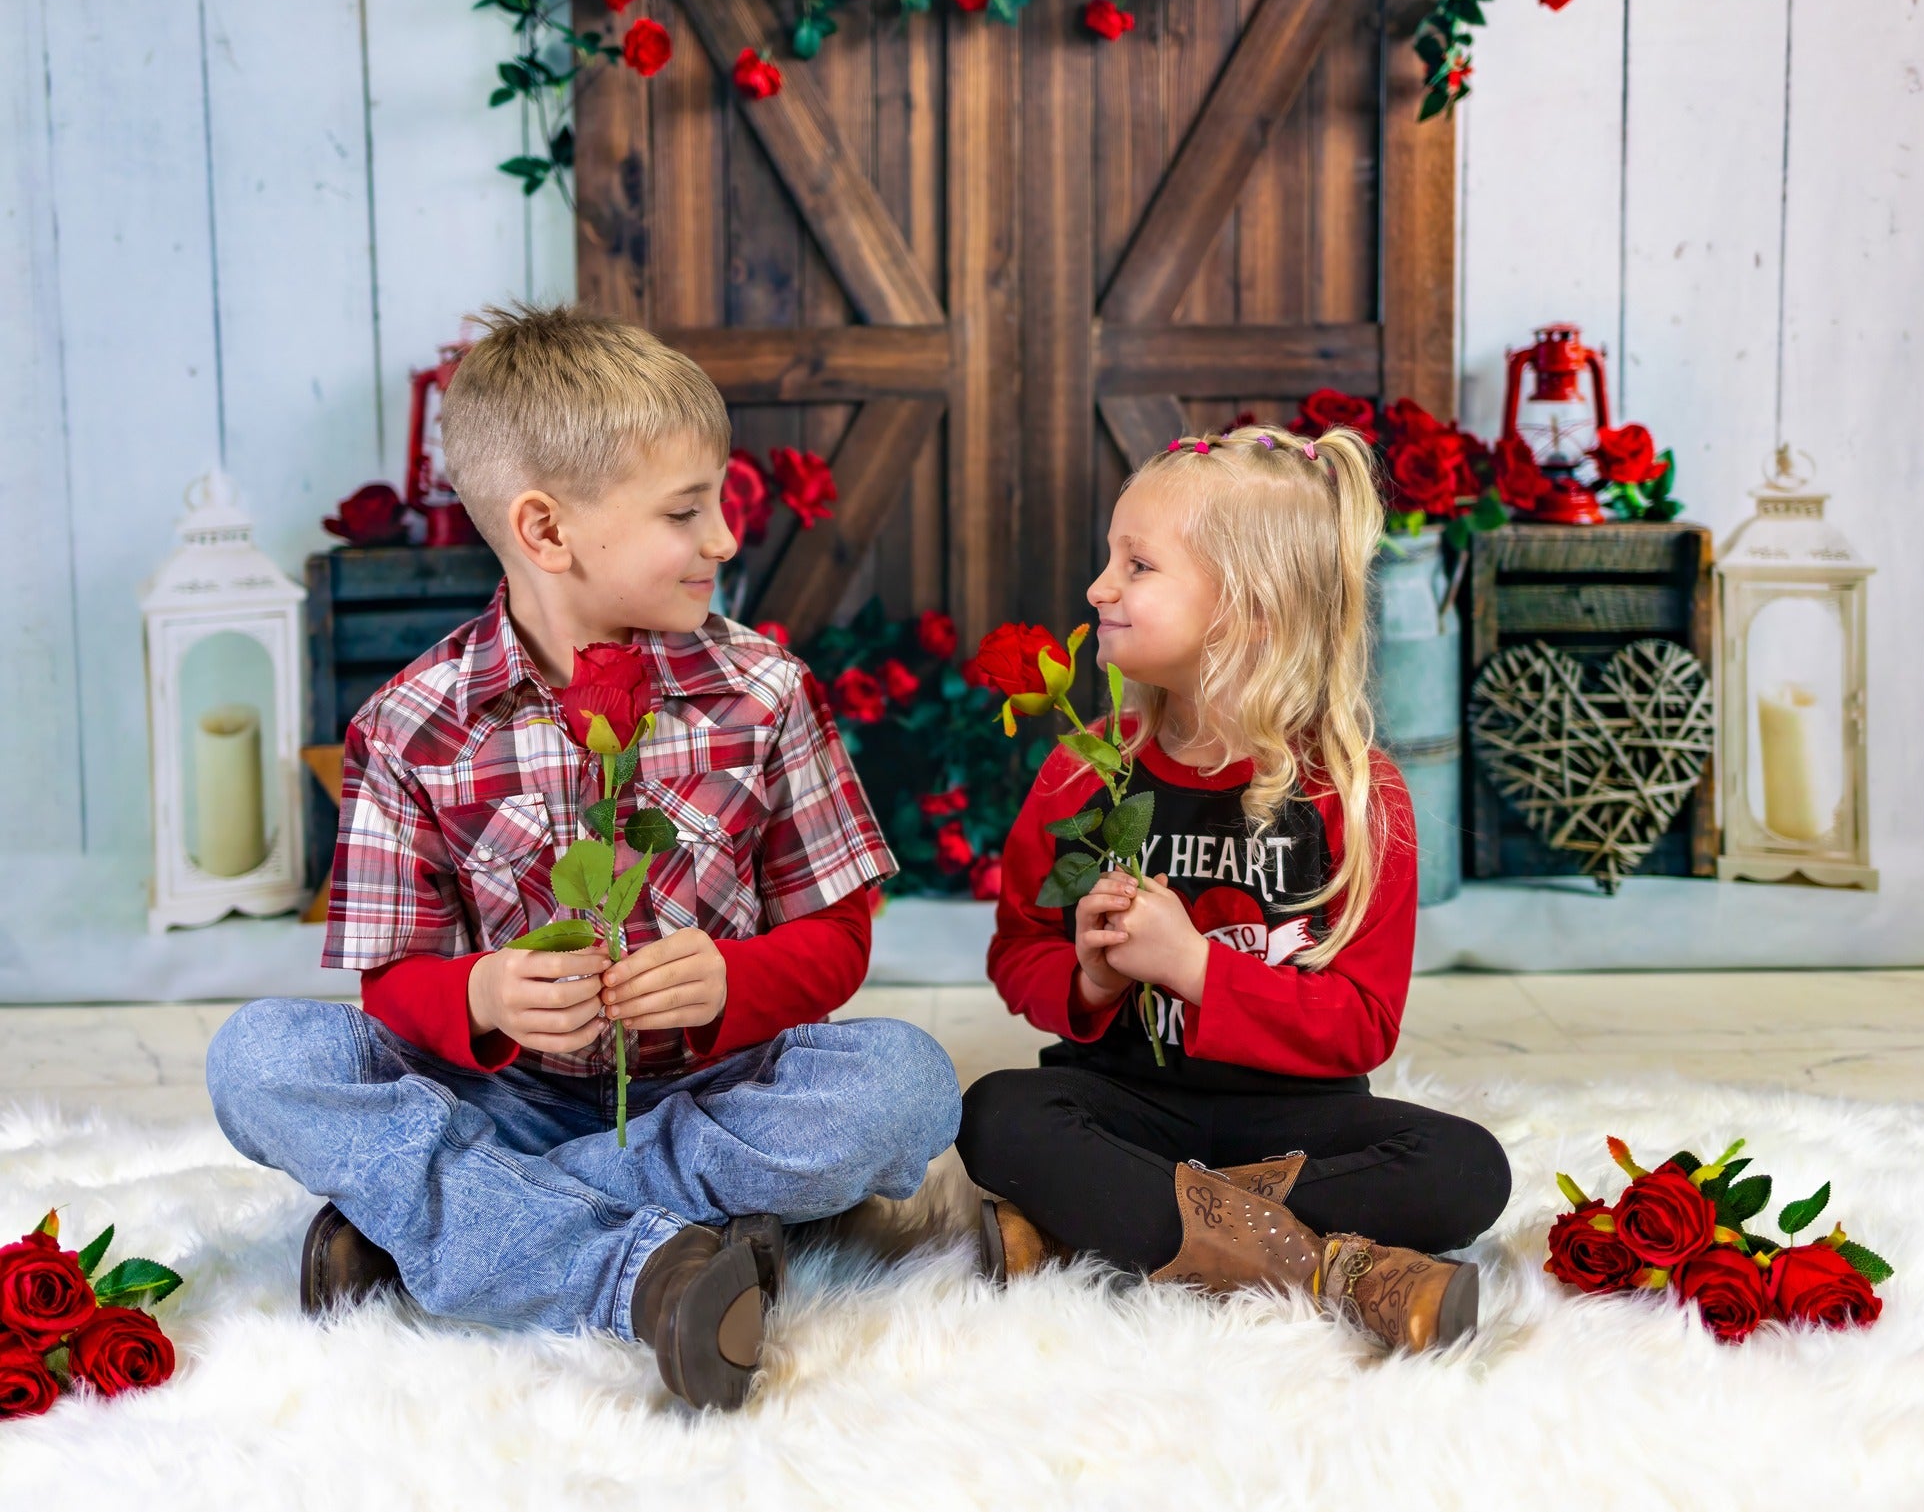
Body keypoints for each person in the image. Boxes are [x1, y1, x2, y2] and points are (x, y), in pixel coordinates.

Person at [206, 304, 959, 1411]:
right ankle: (648, 1268)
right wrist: (483, 993)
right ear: (548, 530)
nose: (722, 540)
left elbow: (839, 942)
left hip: (716, 1087)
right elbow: (392, 984)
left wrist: (730, 983)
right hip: (497, 1095)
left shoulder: (764, 693)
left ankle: (455, 1227)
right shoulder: (407, 725)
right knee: (259, 1059)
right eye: (684, 511)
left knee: (906, 1084)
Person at [956, 424, 1512, 1352]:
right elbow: (1019, 950)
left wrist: (1197, 968)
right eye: (1110, 558)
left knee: (1467, 1170)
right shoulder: (1084, 772)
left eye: (1137, 565)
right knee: (996, 1116)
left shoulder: (1354, 791)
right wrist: (1089, 982)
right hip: (1130, 1104)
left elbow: (1364, 1022)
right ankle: (1336, 1270)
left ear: (1248, 609)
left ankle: (1089, 1229)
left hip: (1301, 1123)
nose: (1099, 589)